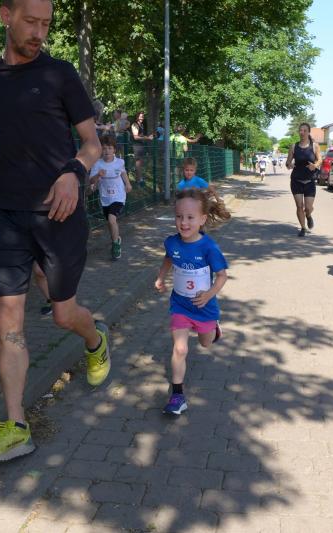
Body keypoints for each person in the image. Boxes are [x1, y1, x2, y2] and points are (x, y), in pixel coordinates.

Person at [0, 0, 107, 462]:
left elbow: (92, 143)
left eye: (46, 24)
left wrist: (73, 172)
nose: (39, 32)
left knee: (63, 315)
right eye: (31, 22)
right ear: (6, 16)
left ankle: (95, 339)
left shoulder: (60, 74)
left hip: (59, 211)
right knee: (7, 315)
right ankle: (17, 426)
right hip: (8, 214)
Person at [154, 188, 229, 415]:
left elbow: (222, 275)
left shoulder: (209, 247)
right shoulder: (171, 242)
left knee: (205, 343)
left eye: (190, 217)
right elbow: (169, 258)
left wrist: (209, 294)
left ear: (202, 219)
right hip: (180, 305)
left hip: (204, 307)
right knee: (180, 349)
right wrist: (160, 277)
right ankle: (177, 396)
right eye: (179, 217)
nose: (184, 223)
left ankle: (214, 329)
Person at [89, 135, 131, 260]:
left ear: (114, 150)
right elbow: (91, 181)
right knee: (110, 222)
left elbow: (123, 172)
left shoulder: (119, 162)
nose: (107, 151)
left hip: (119, 196)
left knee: (112, 219)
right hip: (105, 197)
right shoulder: (97, 164)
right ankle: (116, 239)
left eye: (110, 148)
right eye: (104, 148)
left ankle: (115, 245)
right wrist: (98, 175)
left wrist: (128, 184)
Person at [285, 123, 322, 237]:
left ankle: (308, 216)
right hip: (296, 180)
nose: (302, 132)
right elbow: (288, 162)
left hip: (309, 181)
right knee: (299, 206)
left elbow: (320, 160)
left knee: (308, 208)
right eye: (300, 130)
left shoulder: (314, 146)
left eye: (305, 130)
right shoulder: (294, 147)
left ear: (308, 132)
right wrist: (289, 165)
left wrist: (315, 165)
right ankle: (303, 228)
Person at [130, 111, 153, 187]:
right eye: (140, 116)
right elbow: (135, 137)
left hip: (141, 145)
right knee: (138, 163)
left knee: (140, 163)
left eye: (142, 116)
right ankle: (139, 180)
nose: (142, 118)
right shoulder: (135, 125)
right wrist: (147, 138)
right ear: (137, 117)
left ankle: (139, 179)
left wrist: (146, 136)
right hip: (137, 145)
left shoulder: (141, 125)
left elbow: (140, 135)